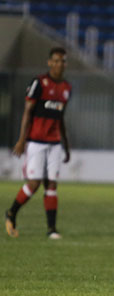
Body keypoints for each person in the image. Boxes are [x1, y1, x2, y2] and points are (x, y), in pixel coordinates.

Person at [5, 47, 71, 239]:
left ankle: (51, 229)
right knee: (34, 183)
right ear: (49, 62)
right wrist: (21, 140)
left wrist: (66, 144)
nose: (60, 64)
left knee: (52, 184)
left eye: (63, 61)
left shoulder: (66, 87)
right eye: (56, 60)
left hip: (55, 143)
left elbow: (61, 117)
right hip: (36, 141)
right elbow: (27, 112)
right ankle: (11, 212)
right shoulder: (39, 83)